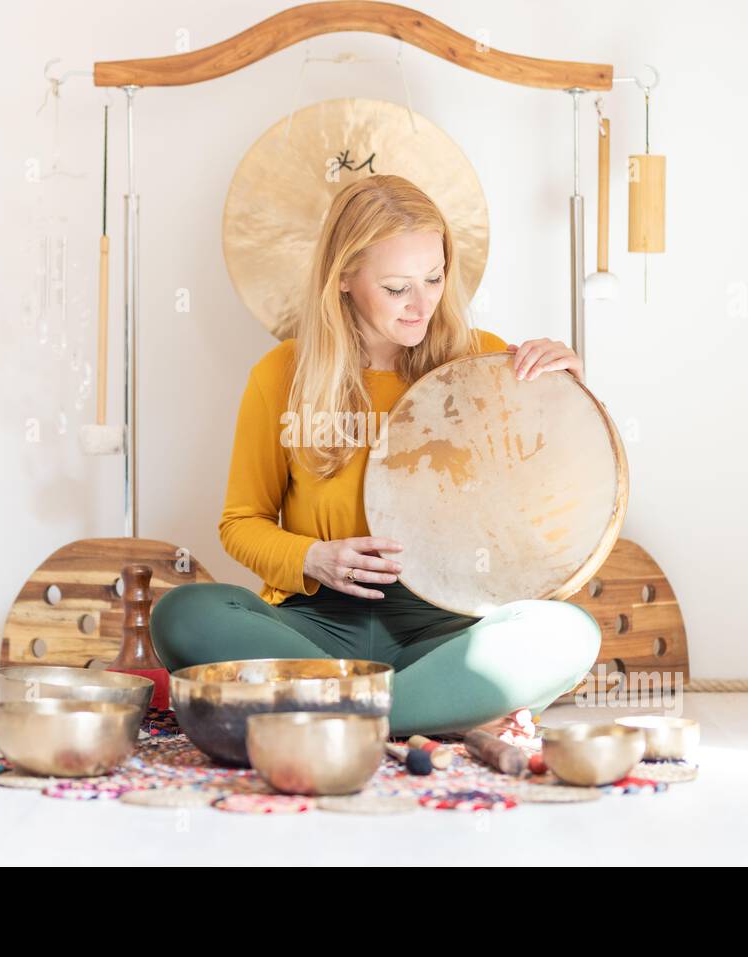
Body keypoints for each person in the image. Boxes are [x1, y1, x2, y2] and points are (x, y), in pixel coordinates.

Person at [150, 173, 602, 740]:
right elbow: (242, 524)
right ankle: (422, 710)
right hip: (313, 630)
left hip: (443, 634)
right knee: (185, 613)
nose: (422, 305)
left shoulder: (485, 360)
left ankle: (339, 712)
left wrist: (566, 403)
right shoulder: (280, 375)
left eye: (434, 278)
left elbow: (545, 510)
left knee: (569, 631)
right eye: (396, 288)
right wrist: (315, 557)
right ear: (343, 278)